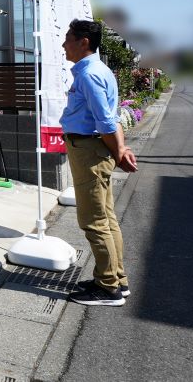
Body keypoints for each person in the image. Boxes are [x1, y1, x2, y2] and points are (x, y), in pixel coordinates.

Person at [60, 19, 138, 307]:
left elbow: (105, 121)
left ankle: (108, 289)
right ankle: (116, 277)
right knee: (107, 218)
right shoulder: (99, 70)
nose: (64, 44)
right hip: (94, 148)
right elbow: (112, 116)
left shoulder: (89, 74)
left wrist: (119, 151)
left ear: (83, 42)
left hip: (89, 150)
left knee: (93, 221)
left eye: (68, 38)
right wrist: (120, 149)